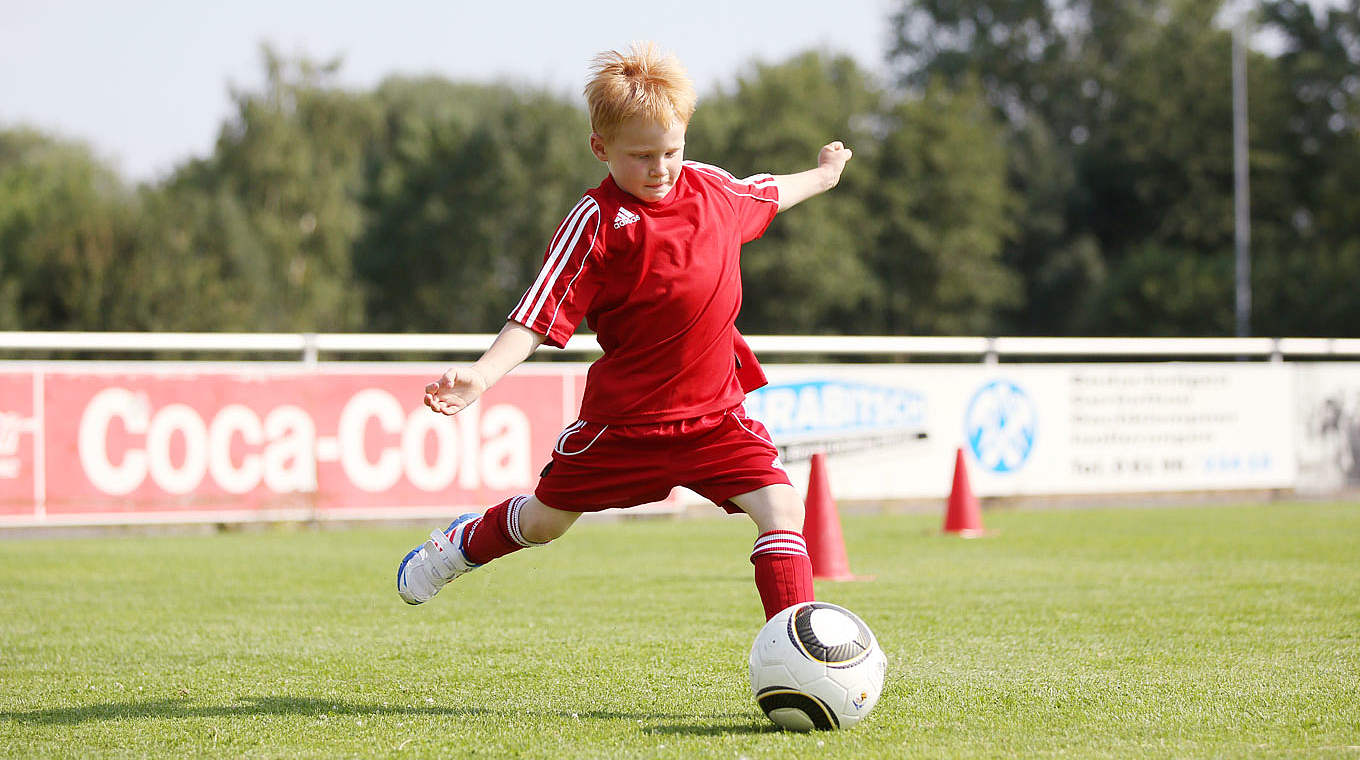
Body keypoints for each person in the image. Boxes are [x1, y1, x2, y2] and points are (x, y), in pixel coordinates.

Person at [397, 41, 852, 621]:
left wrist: (824, 175)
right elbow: (538, 310)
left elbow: (769, 191)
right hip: (626, 425)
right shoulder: (597, 223)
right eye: (641, 156)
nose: (660, 168)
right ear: (600, 148)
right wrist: (483, 375)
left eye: (671, 151)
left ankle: (797, 649)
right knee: (544, 522)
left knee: (783, 509)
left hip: (716, 418)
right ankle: (459, 546)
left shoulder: (713, 191)